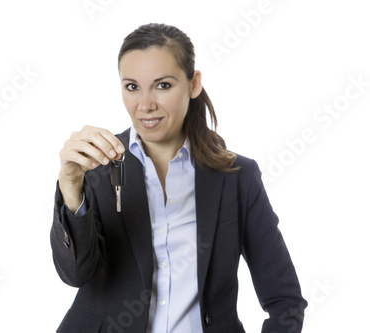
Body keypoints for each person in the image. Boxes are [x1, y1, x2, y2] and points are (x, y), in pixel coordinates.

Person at [50, 23, 307, 333]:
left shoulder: (238, 177)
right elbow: (75, 274)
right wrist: (70, 185)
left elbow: (285, 301)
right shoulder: (95, 165)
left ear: (193, 84)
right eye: (132, 86)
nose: (145, 105)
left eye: (163, 85)